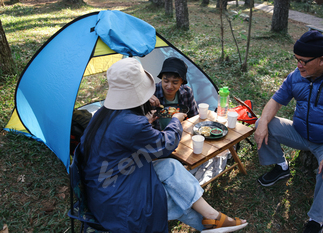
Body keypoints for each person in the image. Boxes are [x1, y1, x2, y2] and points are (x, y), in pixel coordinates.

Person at [76, 57, 248, 232]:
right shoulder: (131, 123)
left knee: (171, 165)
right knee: (176, 197)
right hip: (117, 198)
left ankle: (213, 219)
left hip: (107, 180)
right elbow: (166, 144)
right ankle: (211, 223)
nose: (169, 85)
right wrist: (175, 120)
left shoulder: (104, 114)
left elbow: (127, 137)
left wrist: (145, 121)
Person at [254, 30, 323, 233]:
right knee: (263, 123)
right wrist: (262, 122)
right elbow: (275, 101)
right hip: (299, 133)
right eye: (296, 59)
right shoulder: (297, 75)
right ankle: (281, 167)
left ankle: (316, 221)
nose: (298, 65)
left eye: (304, 61)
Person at [149, 57, 199, 129]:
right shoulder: (151, 92)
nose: (169, 86)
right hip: (158, 136)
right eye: (166, 81)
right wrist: (145, 99)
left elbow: (194, 117)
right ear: (161, 78)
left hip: (181, 134)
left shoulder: (187, 92)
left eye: (175, 82)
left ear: (182, 82)